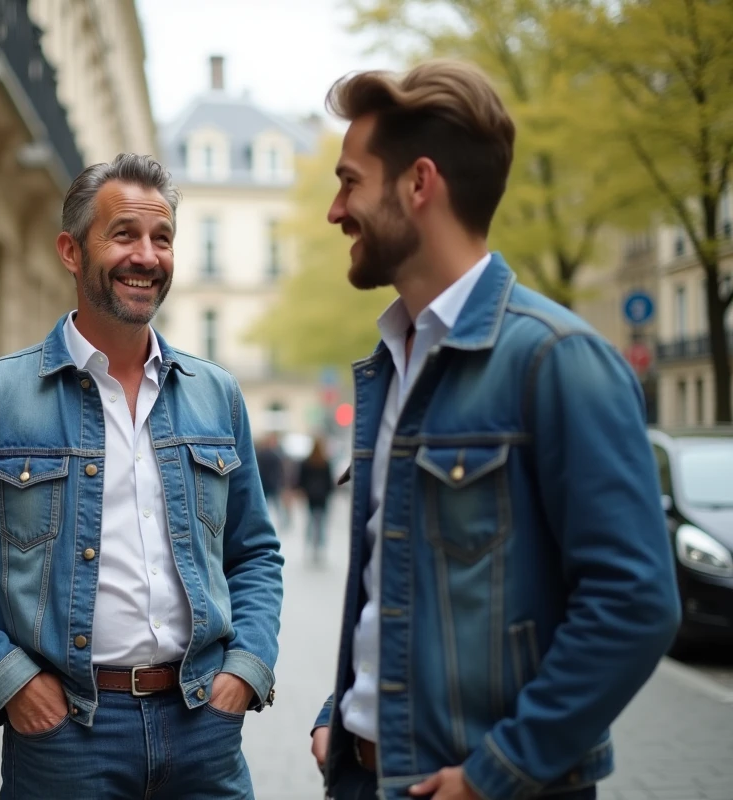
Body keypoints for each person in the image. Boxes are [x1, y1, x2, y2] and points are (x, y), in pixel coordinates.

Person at [307, 61, 680, 800]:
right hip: (363, 775)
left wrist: (498, 771)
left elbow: (634, 603)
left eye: (350, 182)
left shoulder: (557, 359)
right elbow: (401, 587)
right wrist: (343, 712)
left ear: (419, 184)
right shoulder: (391, 363)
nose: (335, 210)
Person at [0, 153, 284, 799]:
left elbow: (256, 553)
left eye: (162, 238)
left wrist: (245, 669)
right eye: (124, 234)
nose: (147, 256)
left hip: (204, 728)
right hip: (68, 738)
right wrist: (9, 680)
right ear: (71, 251)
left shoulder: (217, 395)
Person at [297, 438, 335, 562]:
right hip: (322, 497)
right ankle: (319, 546)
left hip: (311, 497)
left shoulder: (307, 462)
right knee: (321, 523)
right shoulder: (325, 463)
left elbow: (301, 480)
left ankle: (309, 545)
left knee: (310, 522)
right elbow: (330, 483)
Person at [255, 432, 287, 530]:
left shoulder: (260, 454)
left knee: (264, 505)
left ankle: (263, 521)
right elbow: (280, 471)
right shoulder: (275, 455)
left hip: (264, 483)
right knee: (276, 505)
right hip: (273, 483)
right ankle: (281, 522)